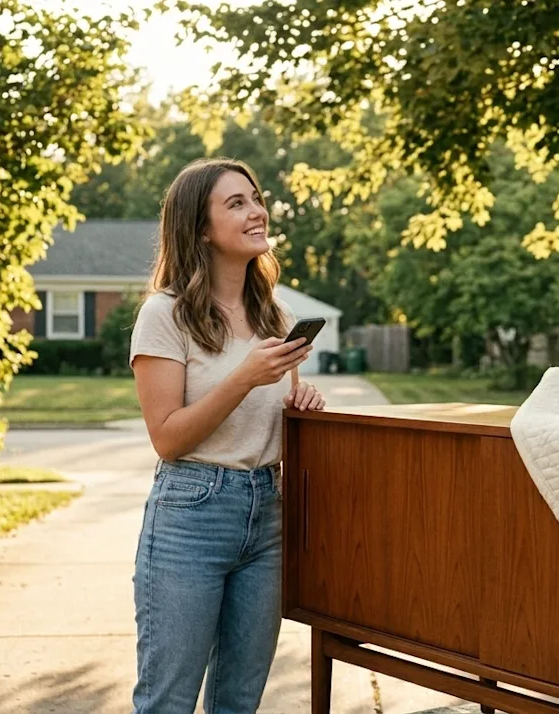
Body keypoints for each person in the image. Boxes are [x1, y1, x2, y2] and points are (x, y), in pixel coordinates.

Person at [128, 157, 326, 713]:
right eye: (235, 204)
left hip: (266, 514)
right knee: (168, 700)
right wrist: (244, 378)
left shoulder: (273, 313)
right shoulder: (164, 314)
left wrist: (300, 408)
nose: (256, 211)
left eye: (256, 198)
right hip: (191, 513)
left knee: (239, 701)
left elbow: (265, 422)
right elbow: (168, 439)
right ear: (199, 228)